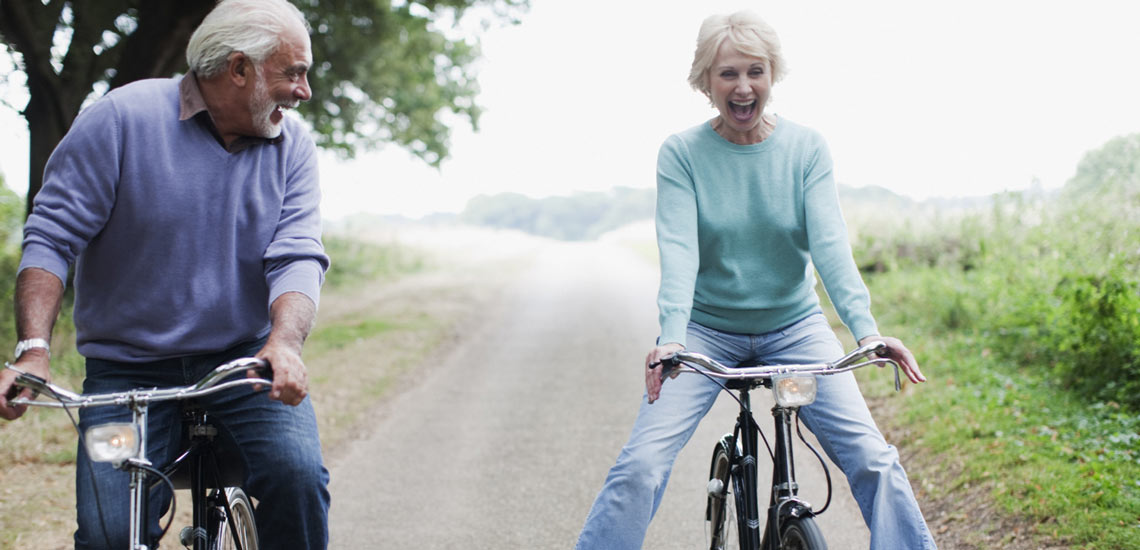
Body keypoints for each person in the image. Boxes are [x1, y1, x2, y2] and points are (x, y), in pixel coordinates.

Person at [574, 11, 937, 550]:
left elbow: (831, 247)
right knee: (641, 466)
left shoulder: (806, 148)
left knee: (874, 459)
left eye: (755, 71)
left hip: (794, 327)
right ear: (705, 82)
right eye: (727, 74)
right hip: (705, 330)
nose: (743, 87)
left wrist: (866, 333)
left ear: (772, 76)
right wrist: (671, 337)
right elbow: (679, 253)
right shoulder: (682, 153)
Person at [0, 0, 331, 548]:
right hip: (123, 376)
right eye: (292, 72)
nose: (303, 91)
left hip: (246, 366)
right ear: (238, 67)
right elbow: (52, 238)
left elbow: (297, 254)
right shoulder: (120, 119)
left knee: (296, 477)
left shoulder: (292, 146)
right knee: (108, 533)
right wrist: (33, 349)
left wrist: (284, 343)